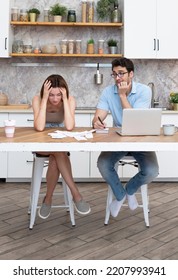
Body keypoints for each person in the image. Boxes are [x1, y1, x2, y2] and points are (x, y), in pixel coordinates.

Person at [92, 57, 159, 218]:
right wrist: (96, 122)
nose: (117, 78)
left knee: (152, 170)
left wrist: (122, 96)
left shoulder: (144, 91)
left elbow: (135, 120)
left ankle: (129, 190)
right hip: (119, 139)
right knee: (103, 163)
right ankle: (120, 195)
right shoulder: (108, 92)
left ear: (131, 74)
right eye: (114, 74)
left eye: (121, 73)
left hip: (140, 139)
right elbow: (98, 116)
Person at [32, 74, 91, 219]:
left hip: (59, 143)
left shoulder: (69, 100)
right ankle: (76, 194)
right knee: (59, 152)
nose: (55, 98)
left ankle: (48, 199)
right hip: (41, 143)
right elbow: (39, 127)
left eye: (59, 95)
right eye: (51, 94)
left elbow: (70, 126)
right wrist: (44, 99)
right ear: (45, 92)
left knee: (56, 157)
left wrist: (66, 100)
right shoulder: (38, 100)